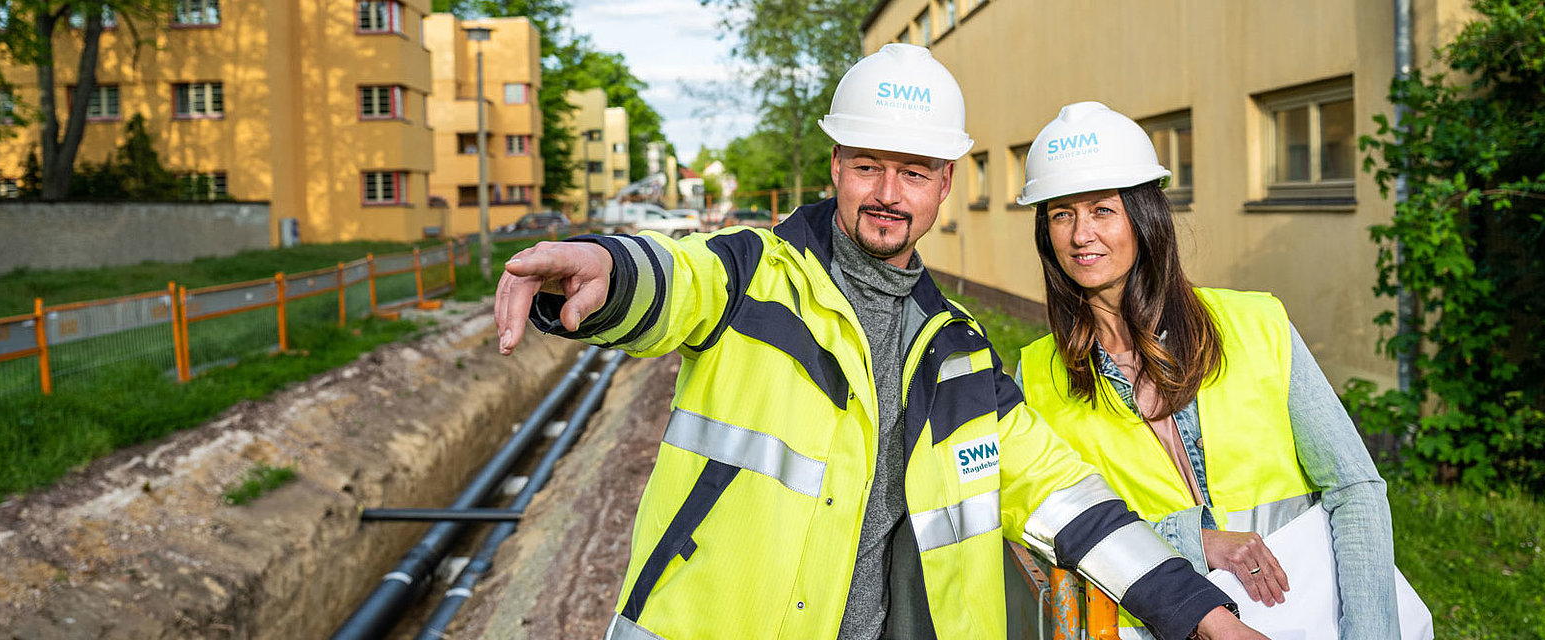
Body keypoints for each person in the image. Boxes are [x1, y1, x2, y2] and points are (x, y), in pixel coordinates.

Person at [495, 45, 1265, 640]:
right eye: (868, 167)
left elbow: (1069, 500)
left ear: (945, 182)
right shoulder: (752, 275)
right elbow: (676, 280)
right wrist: (607, 269)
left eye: (914, 172)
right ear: (837, 167)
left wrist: (1198, 611)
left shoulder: (957, 354)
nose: (889, 194)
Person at [1011, 102, 1399, 639]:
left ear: (1144, 216)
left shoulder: (1257, 323)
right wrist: (1196, 541)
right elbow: (1050, 529)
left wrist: (1372, 633)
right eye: (1061, 214)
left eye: (1102, 210)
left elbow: (1354, 488)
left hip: (1310, 611)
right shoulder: (1037, 375)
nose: (1081, 235)